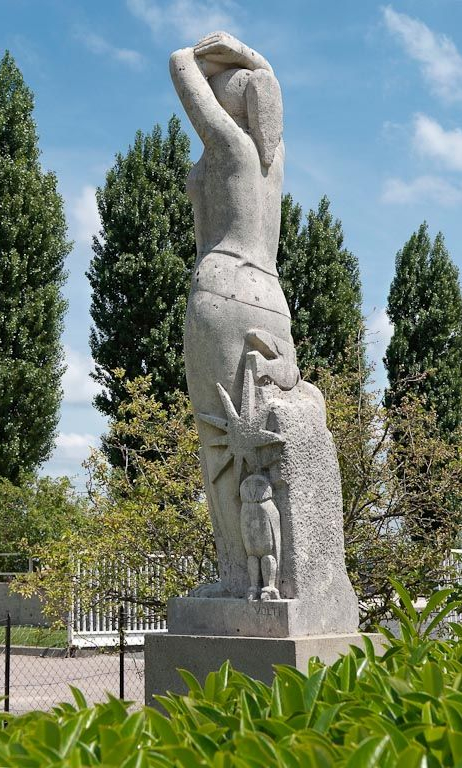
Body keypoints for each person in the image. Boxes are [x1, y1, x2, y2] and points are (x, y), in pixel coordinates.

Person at [170, 32, 297, 597]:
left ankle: (236, 578)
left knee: (219, 443)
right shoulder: (272, 155)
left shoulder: (232, 146)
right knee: (256, 441)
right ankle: (268, 576)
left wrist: (214, 54)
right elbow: (271, 93)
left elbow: (178, 66)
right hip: (271, 296)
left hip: (222, 291)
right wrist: (254, 63)